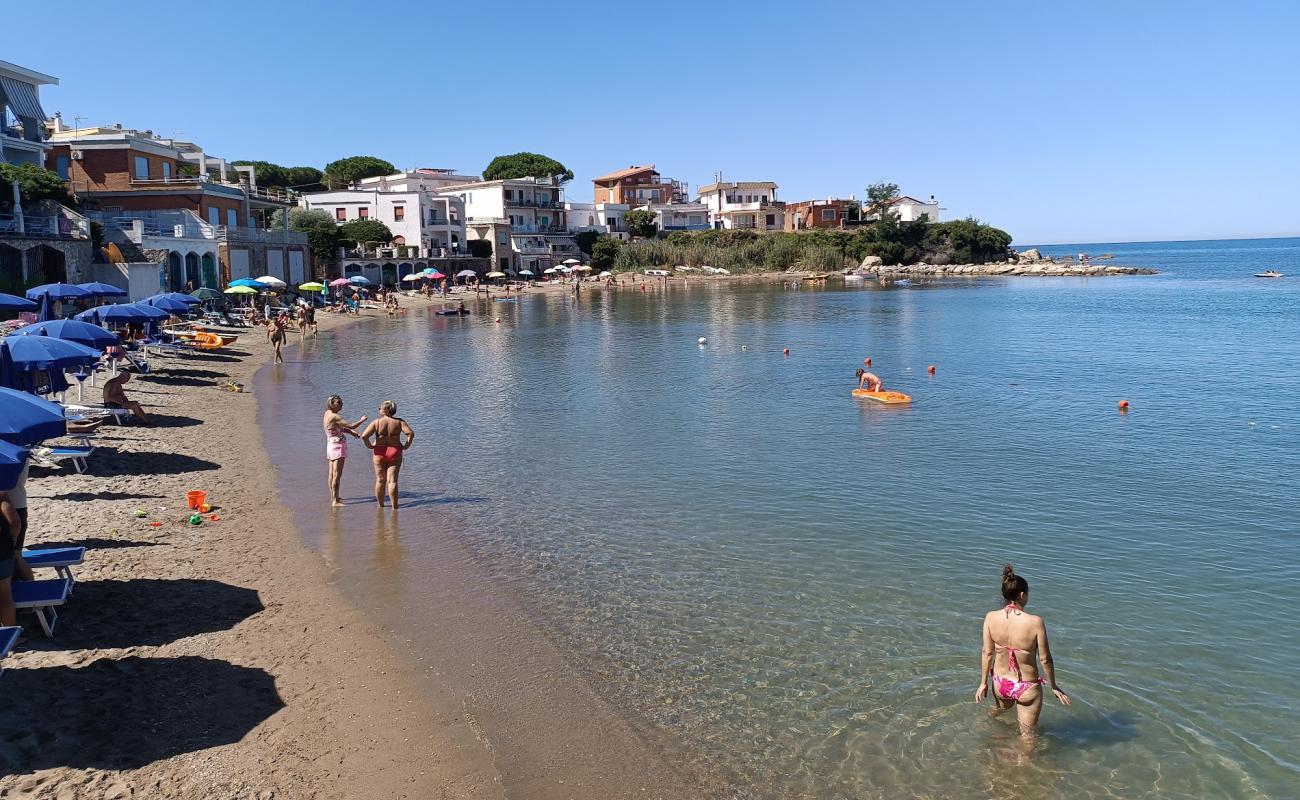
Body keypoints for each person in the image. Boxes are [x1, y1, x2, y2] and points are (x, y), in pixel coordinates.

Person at [975, 564, 1071, 735]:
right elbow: (1045, 659)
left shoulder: (990, 617)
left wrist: (983, 683)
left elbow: (987, 653)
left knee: (998, 716)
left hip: (1001, 684)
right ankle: (1022, 762)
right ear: (1022, 595)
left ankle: (991, 753)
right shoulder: (1035, 622)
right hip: (1027, 687)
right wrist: (1054, 686)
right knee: (1027, 737)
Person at [361, 400, 415, 508]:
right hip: (395, 451)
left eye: (380, 408)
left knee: (380, 480)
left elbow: (364, 436)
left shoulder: (377, 422)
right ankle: (395, 506)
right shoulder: (399, 422)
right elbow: (410, 433)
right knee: (392, 481)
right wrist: (406, 446)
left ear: (385, 410)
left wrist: (370, 446)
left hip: (379, 452)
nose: (379, 409)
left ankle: (380, 505)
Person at [323, 395, 367, 507]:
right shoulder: (334, 416)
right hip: (338, 446)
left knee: (331, 474)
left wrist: (351, 433)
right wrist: (362, 420)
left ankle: (334, 496)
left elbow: (336, 428)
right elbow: (351, 425)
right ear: (332, 404)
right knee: (337, 474)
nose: (342, 404)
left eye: (341, 402)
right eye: (338, 402)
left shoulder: (327, 413)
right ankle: (335, 501)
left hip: (330, 444)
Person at [0, 489, 20, 628]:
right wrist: (12, 539)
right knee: (5, 597)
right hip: (2, 552)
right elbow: (15, 522)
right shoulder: (1, 496)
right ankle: (11, 636)